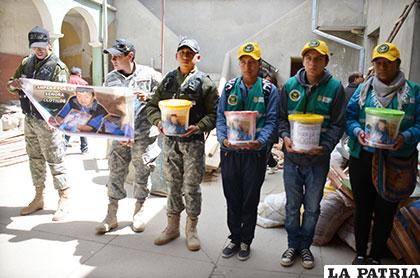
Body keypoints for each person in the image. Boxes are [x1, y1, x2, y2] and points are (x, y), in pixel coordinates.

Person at [346, 42, 420, 265]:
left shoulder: (413, 91)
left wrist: (404, 138)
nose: (382, 67)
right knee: (363, 207)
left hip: (396, 160)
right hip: (363, 157)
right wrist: (357, 131)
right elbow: (349, 117)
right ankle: (360, 253)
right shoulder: (363, 89)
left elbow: (419, 123)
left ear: (397, 64)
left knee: (386, 209)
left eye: (387, 63)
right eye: (378, 63)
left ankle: (376, 256)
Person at [145, 38, 218, 251]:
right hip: (170, 143)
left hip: (193, 143)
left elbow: (215, 113)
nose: (185, 56)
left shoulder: (205, 83)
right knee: (172, 185)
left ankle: (192, 229)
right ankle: (172, 226)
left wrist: (199, 126)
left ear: (197, 57)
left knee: (191, 186)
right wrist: (157, 121)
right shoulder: (168, 80)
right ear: (177, 55)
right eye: (182, 52)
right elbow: (152, 105)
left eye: (190, 53)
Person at [278, 39, 345, 269]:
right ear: (303, 60)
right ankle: (292, 245)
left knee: (313, 206)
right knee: (292, 205)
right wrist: (285, 137)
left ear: (326, 61)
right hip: (292, 159)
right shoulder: (289, 86)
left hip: (318, 160)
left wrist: (325, 147)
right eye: (308, 58)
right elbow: (280, 119)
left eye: (318, 58)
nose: (312, 62)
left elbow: (338, 124)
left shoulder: (335, 88)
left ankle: (305, 246)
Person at [216, 42, 279, 261]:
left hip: (255, 155)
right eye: (243, 62)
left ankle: (246, 241)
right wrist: (223, 138)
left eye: (252, 62)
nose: (247, 66)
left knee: (250, 199)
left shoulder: (269, 90)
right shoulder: (228, 88)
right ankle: (234, 237)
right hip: (230, 153)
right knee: (232, 197)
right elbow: (220, 117)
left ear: (259, 64)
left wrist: (261, 141)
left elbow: (272, 120)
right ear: (239, 64)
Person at [96, 39, 162, 234]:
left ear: (130, 56)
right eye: (112, 57)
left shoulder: (150, 75)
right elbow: (103, 105)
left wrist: (148, 96)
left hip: (143, 135)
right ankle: (111, 214)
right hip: (118, 135)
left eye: (117, 56)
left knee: (142, 172)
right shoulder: (110, 78)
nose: (113, 60)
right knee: (115, 172)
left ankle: (139, 210)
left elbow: (165, 97)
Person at [7, 26, 71, 221]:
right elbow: (11, 84)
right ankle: (39, 197)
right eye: (35, 47)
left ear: (49, 44)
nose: (39, 50)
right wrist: (14, 85)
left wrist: (56, 119)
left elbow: (63, 97)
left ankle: (64, 199)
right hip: (30, 119)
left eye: (42, 46)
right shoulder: (26, 63)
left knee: (55, 159)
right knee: (34, 158)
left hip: (48, 122)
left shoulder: (58, 67)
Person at [65, 66, 89, 153]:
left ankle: (63, 147)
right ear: (79, 74)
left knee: (68, 127)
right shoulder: (83, 82)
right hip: (81, 107)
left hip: (68, 108)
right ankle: (84, 149)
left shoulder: (66, 81)